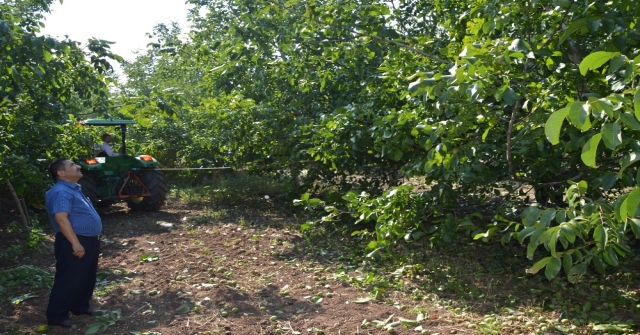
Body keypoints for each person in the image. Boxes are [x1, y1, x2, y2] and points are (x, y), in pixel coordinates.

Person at [45, 158, 106, 328]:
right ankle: (57, 315)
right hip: (74, 241)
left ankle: (80, 306)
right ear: (61, 173)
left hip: (88, 240)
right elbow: (61, 218)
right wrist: (76, 243)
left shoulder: (73, 189)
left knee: (86, 276)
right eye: (72, 165)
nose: (78, 166)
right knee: (69, 278)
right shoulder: (61, 191)